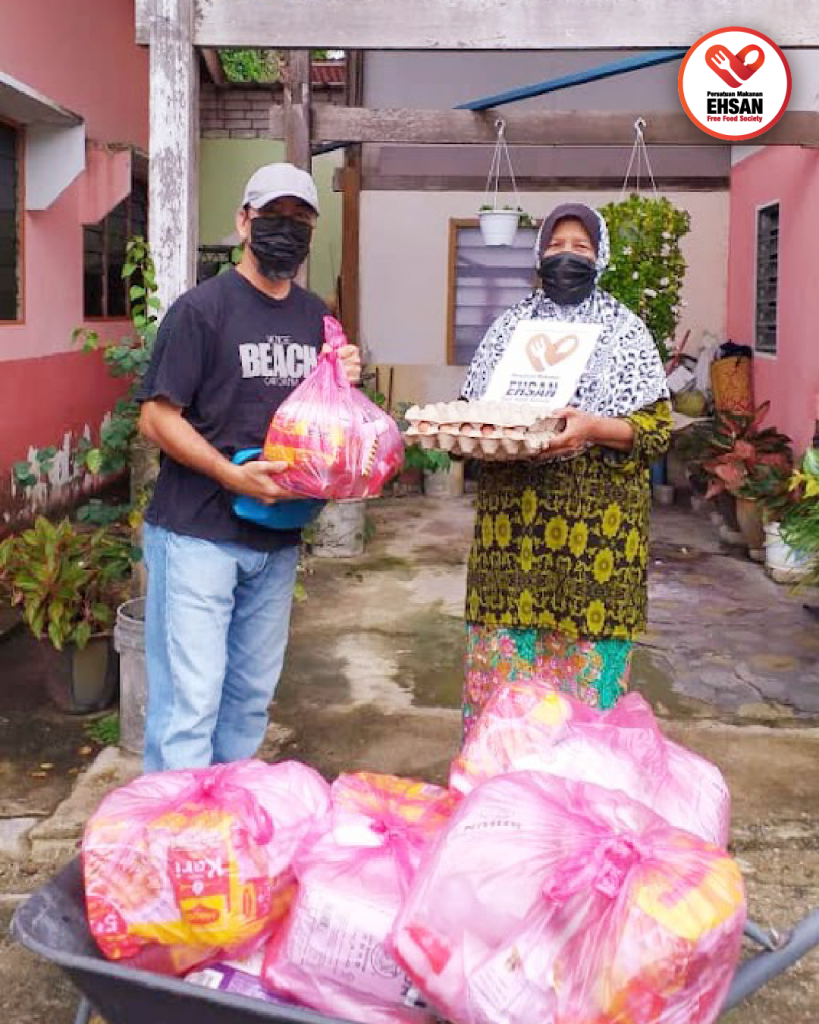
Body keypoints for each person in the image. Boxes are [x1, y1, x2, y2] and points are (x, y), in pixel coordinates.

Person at [137, 163, 361, 773]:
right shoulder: (201, 310)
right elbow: (157, 419)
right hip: (197, 534)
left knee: (247, 705)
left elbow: (320, 422)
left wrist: (345, 384)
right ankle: (174, 844)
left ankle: (225, 833)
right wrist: (229, 473)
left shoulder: (318, 318)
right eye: (273, 218)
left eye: (299, 221)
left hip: (277, 535)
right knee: (190, 706)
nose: (285, 232)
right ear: (243, 222)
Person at [460, 202, 671, 739]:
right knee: (507, 700)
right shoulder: (510, 328)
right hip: (513, 545)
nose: (567, 257)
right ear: (538, 253)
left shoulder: (626, 330)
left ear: (600, 257)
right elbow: (469, 413)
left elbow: (657, 429)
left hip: (598, 546)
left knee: (586, 708)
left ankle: (578, 813)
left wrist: (593, 428)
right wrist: (496, 433)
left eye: (581, 247)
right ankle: (501, 806)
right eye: (557, 246)